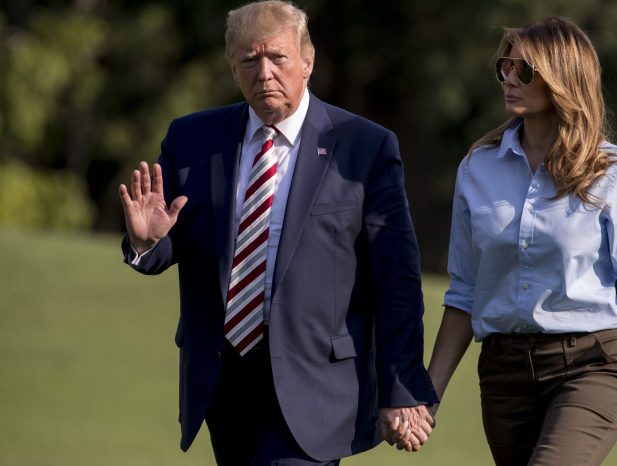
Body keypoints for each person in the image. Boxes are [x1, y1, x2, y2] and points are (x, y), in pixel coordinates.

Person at [118, 1, 437, 464]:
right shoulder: (192, 139)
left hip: (317, 384)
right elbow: (167, 242)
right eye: (249, 60)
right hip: (222, 381)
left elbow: (397, 279)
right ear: (232, 68)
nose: (264, 72)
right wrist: (147, 244)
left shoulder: (363, 146)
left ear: (307, 62)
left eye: (277, 58)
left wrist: (402, 385)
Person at [427, 17, 617, 466]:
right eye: (504, 67)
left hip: (593, 363)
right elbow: (465, 292)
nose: (509, 78)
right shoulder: (476, 169)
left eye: (524, 71)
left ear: (562, 78)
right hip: (504, 374)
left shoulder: (613, 170)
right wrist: (430, 396)